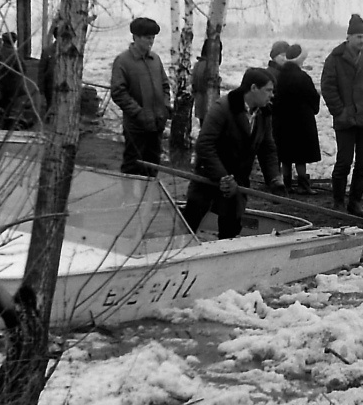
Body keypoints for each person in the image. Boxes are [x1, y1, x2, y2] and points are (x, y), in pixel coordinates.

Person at [181, 68, 286, 239]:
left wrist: (274, 179)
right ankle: (179, 259)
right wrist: (223, 176)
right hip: (208, 177)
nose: (271, 95)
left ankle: (225, 261)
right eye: (268, 90)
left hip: (238, 180)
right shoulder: (223, 108)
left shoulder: (263, 113)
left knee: (230, 227)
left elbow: (267, 148)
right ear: (253, 88)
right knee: (190, 224)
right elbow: (205, 145)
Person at [320, 13, 363, 217]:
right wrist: (340, 111)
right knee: (344, 162)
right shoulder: (335, 59)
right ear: (348, 37)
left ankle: (355, 202)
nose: (361, 41)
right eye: (358, 37)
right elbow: (328, 86)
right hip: (346, 120)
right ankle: (338, 202)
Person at [110, 17, 172, 177]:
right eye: (147, 38)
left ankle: (148, 199)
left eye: (153, 38)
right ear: (135, 37)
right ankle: (128, 199)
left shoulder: (155, 60)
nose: (150, 42)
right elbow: (118, 92)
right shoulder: (123, 61)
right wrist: (138, 112)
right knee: (132, 165)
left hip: (157, 124)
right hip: (136, 126)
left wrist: (165, 107)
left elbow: (165, 85)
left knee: (152, 166)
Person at [273, 44, 321, 195]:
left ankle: (286, 184)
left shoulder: (279, 76)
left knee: (285, 155)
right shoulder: (303, 77)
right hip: (302, 122)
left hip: (282, 122)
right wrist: (313, 109)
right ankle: (303, 185)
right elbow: (313, 98)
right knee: (301, 156)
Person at [0, 32, 25, 116]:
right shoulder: (14, 53)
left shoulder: (0, 53)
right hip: (14, 84)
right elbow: (22, 68)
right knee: (13, 106)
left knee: (5, 105)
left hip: (2, 84)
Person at [37, 23, 58, 118]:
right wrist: (41, 88)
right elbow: (41, 70)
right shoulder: (48, 51)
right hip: (50, 85)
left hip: (63, 85)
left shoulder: (68, 52)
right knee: (50, 105)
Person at [191, 39, 211, 127]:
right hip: (207, 103)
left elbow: (193, 84)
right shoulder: (210, 66)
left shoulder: (197, 65)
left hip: (199, 103)